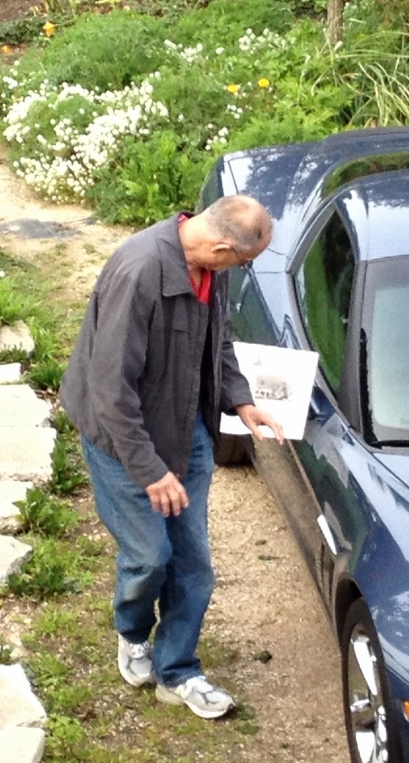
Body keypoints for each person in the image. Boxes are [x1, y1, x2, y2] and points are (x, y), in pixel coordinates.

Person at [60, 194, 285, 719]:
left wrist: (241, 399)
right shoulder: (139, 272)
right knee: (149, 557)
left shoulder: (211, 266)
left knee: (194, 564)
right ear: (224, 245)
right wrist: (151, 471)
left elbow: (218, 342)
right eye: (245, 261)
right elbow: (110, 391)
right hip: (124, 440)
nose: (243, 270)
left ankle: (177, 670)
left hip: (186, 429)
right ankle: (132, 632)